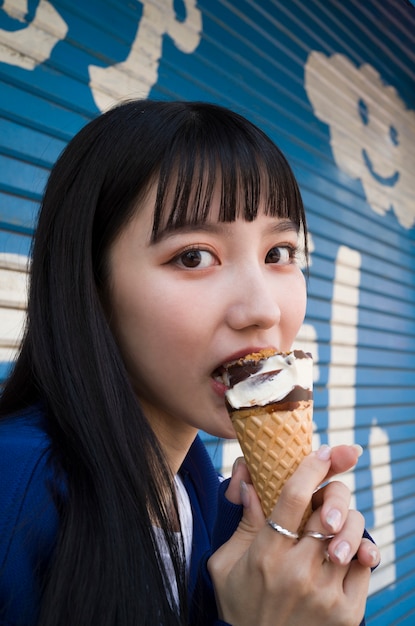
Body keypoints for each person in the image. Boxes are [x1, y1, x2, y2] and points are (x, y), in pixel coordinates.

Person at [0, 99, 379, 626]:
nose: (263, 310)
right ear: (89, 286)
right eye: (194, 256)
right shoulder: (12, 492)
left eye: (279, 254)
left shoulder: (211, 506)